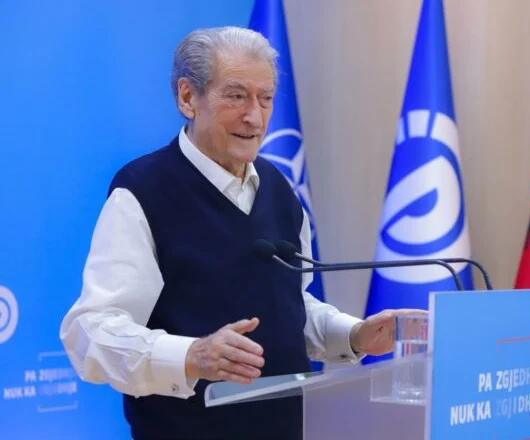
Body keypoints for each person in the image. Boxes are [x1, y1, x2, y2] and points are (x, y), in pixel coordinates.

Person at [60, 26, 422, 439]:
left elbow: (288, 304)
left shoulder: (279, 188)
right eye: (236, 96)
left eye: (265, 98)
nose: (255, 116)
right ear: (187, 97)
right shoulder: (143, 190)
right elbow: (91, 332)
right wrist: (191, 355)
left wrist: (353, 335)